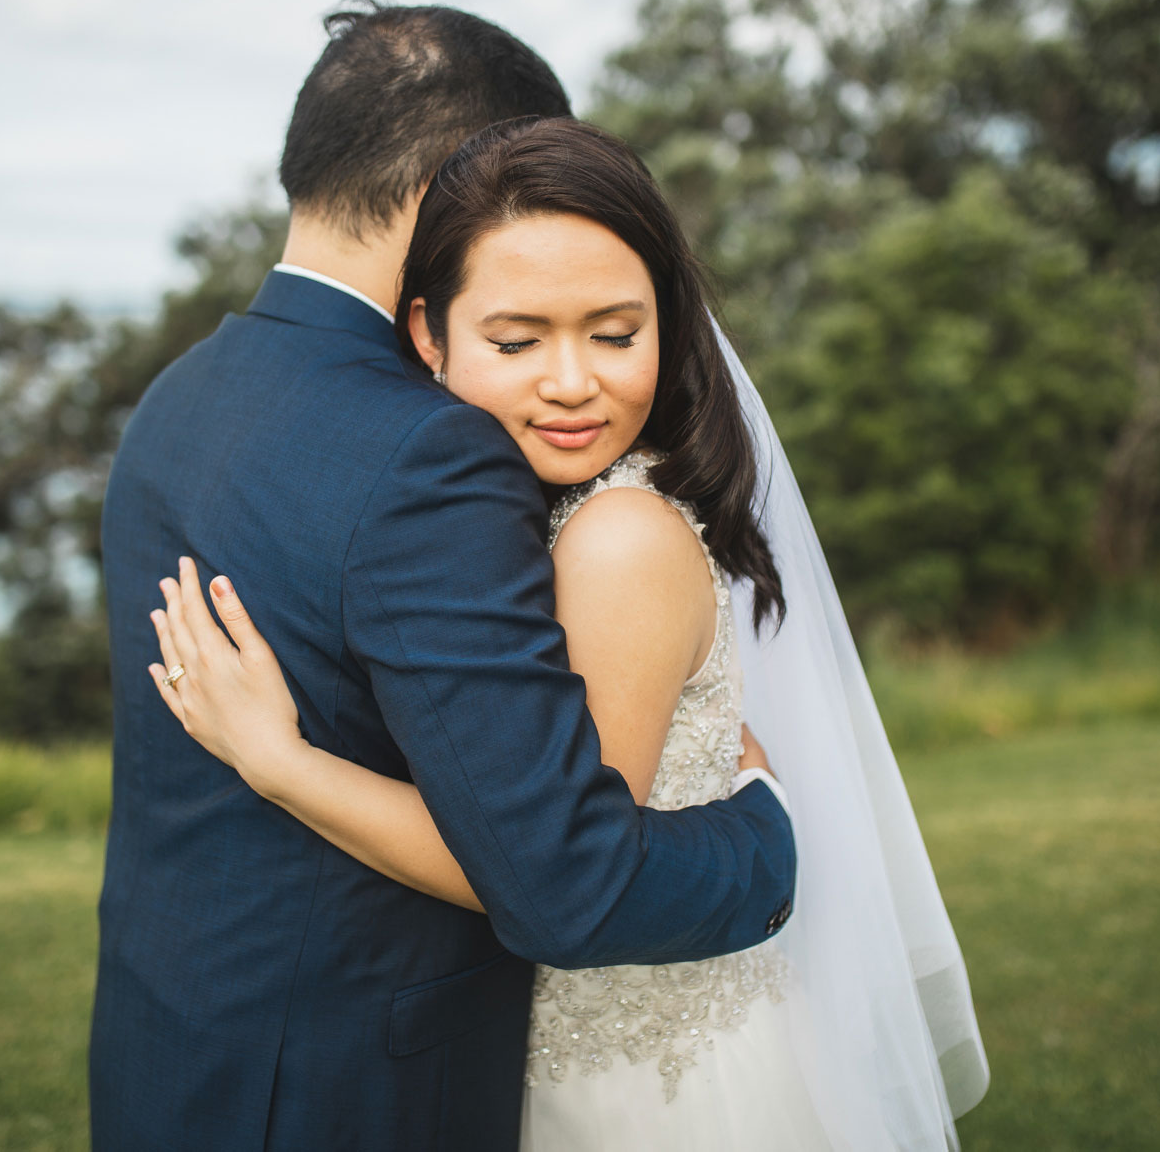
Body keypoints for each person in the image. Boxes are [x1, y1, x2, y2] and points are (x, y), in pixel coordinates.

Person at [149, 117, 990, 1149]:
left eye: (614, 333)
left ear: (667, 329)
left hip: (647, 1092)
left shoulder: (618, 537)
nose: (569, 381)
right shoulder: (530, 507)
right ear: (427, 334)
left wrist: (279, 760)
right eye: (516, 340)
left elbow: (544, 871)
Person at [88, 6, 799, 1152]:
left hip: (170, 1048)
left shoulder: (178, 399)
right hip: (352, 1090)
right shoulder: (429, 448)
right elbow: (568, 880)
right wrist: (764, 840)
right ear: (457, 189)